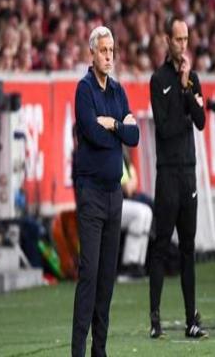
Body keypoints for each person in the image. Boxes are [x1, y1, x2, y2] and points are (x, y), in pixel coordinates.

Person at [72, 26, 139, 357]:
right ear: (92, 54)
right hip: (91, 194)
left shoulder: (117, 90)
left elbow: (134, 136)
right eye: (103, 50)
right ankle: (78, 352)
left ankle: (100, 351)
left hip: (115, 196)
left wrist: (112, 124)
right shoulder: (84, 90)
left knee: (107, 279)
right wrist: (119, 129)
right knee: (90, 274)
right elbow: (92, 133)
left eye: (111, 50)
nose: (109, 56)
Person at [148, 16, 207, 339]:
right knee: (160, 245)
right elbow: (165, 128)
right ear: (167, 41)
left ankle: (191, 319)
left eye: (186, 39)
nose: (183, 45)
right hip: (168, 174)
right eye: (178, 39)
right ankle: (155, 318)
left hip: (188, 173)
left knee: (188, 247)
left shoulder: (191, 79)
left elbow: (200, 121)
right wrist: (183, 105)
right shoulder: (158, 80)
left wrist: (186, 88)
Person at [118, 150, 153, 279]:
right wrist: (131, 180)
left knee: (147, 212)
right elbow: (128, 188)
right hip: (106, 204)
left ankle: (139, 264)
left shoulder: (120, 154)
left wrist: (131, 180)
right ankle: (128, 265)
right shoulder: (109, 153)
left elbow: (132, 183)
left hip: (118, 202)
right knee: (140, 213)